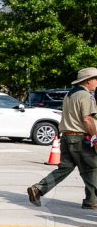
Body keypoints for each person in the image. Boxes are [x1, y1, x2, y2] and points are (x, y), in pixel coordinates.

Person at [27, 67, 97, 210]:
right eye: (96, 79)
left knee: (65, 168)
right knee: (92, 168)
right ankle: (91, 201)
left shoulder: (69, 95)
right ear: (88, 80)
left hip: (66, 137)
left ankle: (38, 188)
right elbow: (88, 119)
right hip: (80, 138)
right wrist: (95, 137)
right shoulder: (85, 96)